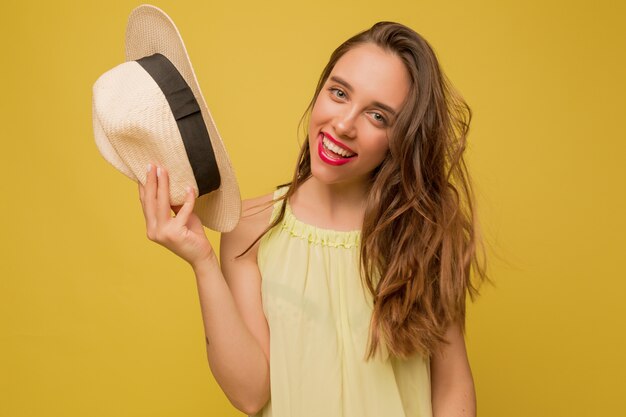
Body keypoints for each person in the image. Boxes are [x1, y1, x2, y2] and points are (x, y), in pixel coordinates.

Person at [138, 21, 487, 417]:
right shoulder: (249, 228)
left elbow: (452, 386)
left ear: (402, 139)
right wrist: (202, 261)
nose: (343, 124)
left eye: (378, 116)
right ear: (319, 92)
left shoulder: (422, 234)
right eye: (339, 93)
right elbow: (251, 394)